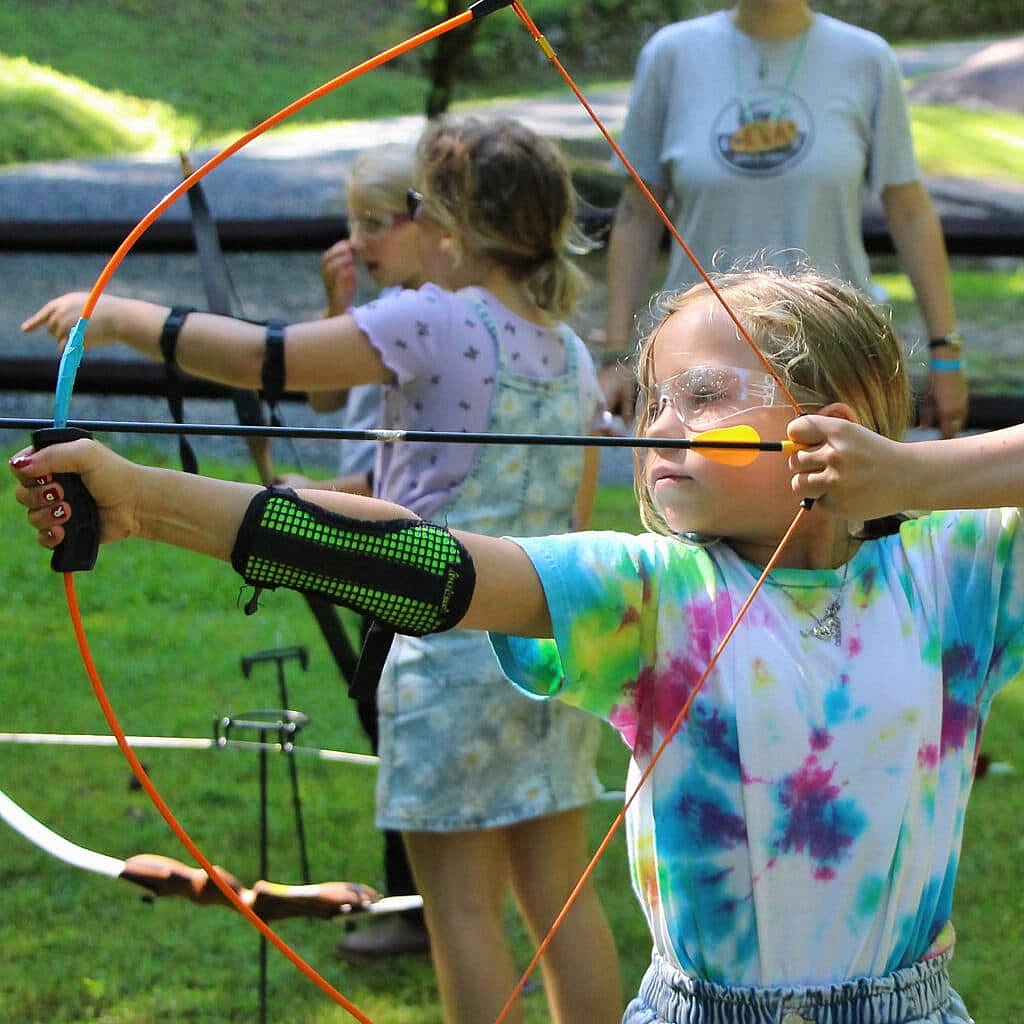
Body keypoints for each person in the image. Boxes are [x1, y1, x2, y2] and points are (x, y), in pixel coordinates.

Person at [17, 264, 1016, 1023]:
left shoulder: (956, 570)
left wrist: (914, 481)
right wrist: (146, 501)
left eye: (703, 398)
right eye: (652, 401)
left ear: (827, 427)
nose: (660, 426)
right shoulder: (652, 590)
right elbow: (426, 563)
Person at [21, 115, 623, 1024]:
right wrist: (325, 499)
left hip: (443, 658)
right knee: (562, 902)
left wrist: (123, 319)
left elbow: (273, 361)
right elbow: (548, 514)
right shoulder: (570, 351)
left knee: (459, 910)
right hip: (545, 654)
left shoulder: (435, 315)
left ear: (451, 223)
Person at [602, 0, 969, 440]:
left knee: (844, 506)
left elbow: (909, 212)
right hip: (700, 364)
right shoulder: (670, 54)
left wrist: (945, 355)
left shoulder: (867, 58)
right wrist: (616, 354)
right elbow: (636, 213)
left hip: (833, 360)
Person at [274, 141, 433, 959]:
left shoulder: (427, 322)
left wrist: (315, 505)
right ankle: (423, 900)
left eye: (377, 224)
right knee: (383, 710)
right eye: (353, 225)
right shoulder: (378, 313)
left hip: (386, 529)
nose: (362, 241)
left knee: (395, 711)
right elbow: (326, 393)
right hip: (362, 522)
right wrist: (334, 303)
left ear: (425, 221)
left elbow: (408, 476)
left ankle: (422, 909)